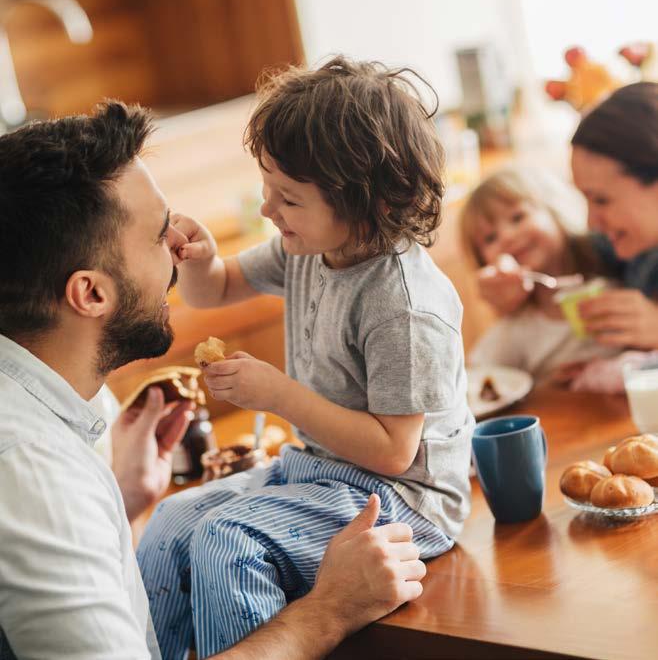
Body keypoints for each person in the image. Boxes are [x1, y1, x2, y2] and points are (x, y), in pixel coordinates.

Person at [0, 102, 425, 660]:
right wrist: (327, 612)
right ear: (91, 294)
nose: (176, 250)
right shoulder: (31, 470)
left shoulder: (66, 402)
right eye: (157, 235)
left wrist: (123, 506)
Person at [137, 56, 473, 658]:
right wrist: (201, 260)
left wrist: (278, 395)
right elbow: (214, 290)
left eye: (287, 198)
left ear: (370, 204)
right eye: (267, 190)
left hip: (406, 501)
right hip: (317, 471)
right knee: (171, 525)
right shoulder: (309, 248)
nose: (268, 211)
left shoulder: (404, 305)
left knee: (226, 542)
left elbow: (394, 453)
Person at [478, 83, 658, 390]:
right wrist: (511, 276)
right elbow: (572, 253)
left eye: (601, 200)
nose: (592, 221)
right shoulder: (631, 249)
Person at [460, 168, 618, 383]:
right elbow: (475, 379)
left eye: (518, 217)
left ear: (554, 210)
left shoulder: (619, 276)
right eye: (490, 238)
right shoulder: (517, 328)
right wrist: (543, 387)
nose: (506, 237)